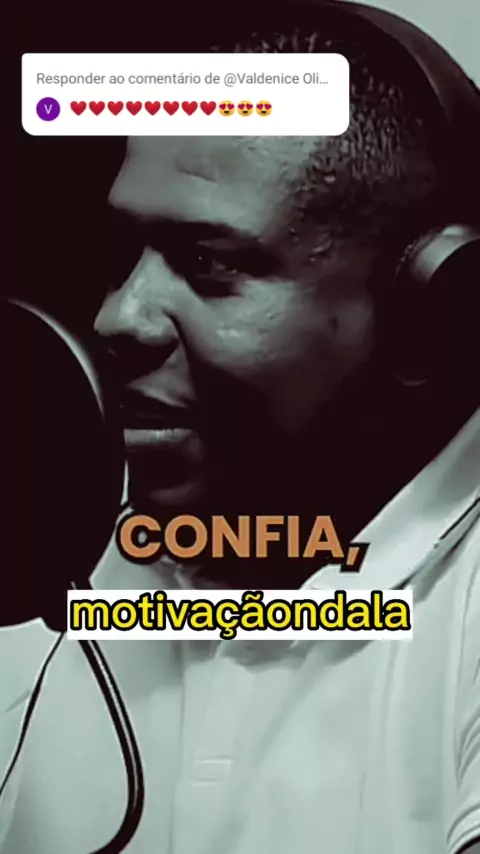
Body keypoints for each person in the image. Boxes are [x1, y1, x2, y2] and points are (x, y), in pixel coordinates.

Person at [1, 5, 479, 853]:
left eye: (208, 263)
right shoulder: (47, 557)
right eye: (125, 253)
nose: (120, 316)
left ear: (421, 316)